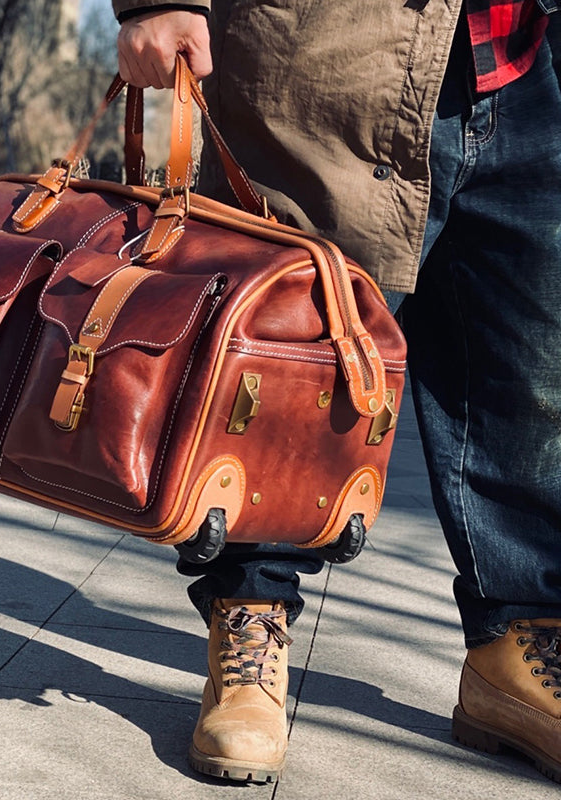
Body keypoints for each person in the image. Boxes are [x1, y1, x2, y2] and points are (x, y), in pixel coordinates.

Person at [112, 0, 561, 786]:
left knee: (528, 374)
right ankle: (249, 624)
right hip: (321, 53)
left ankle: (518, 651)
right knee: (287, 366)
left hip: (519, 63)